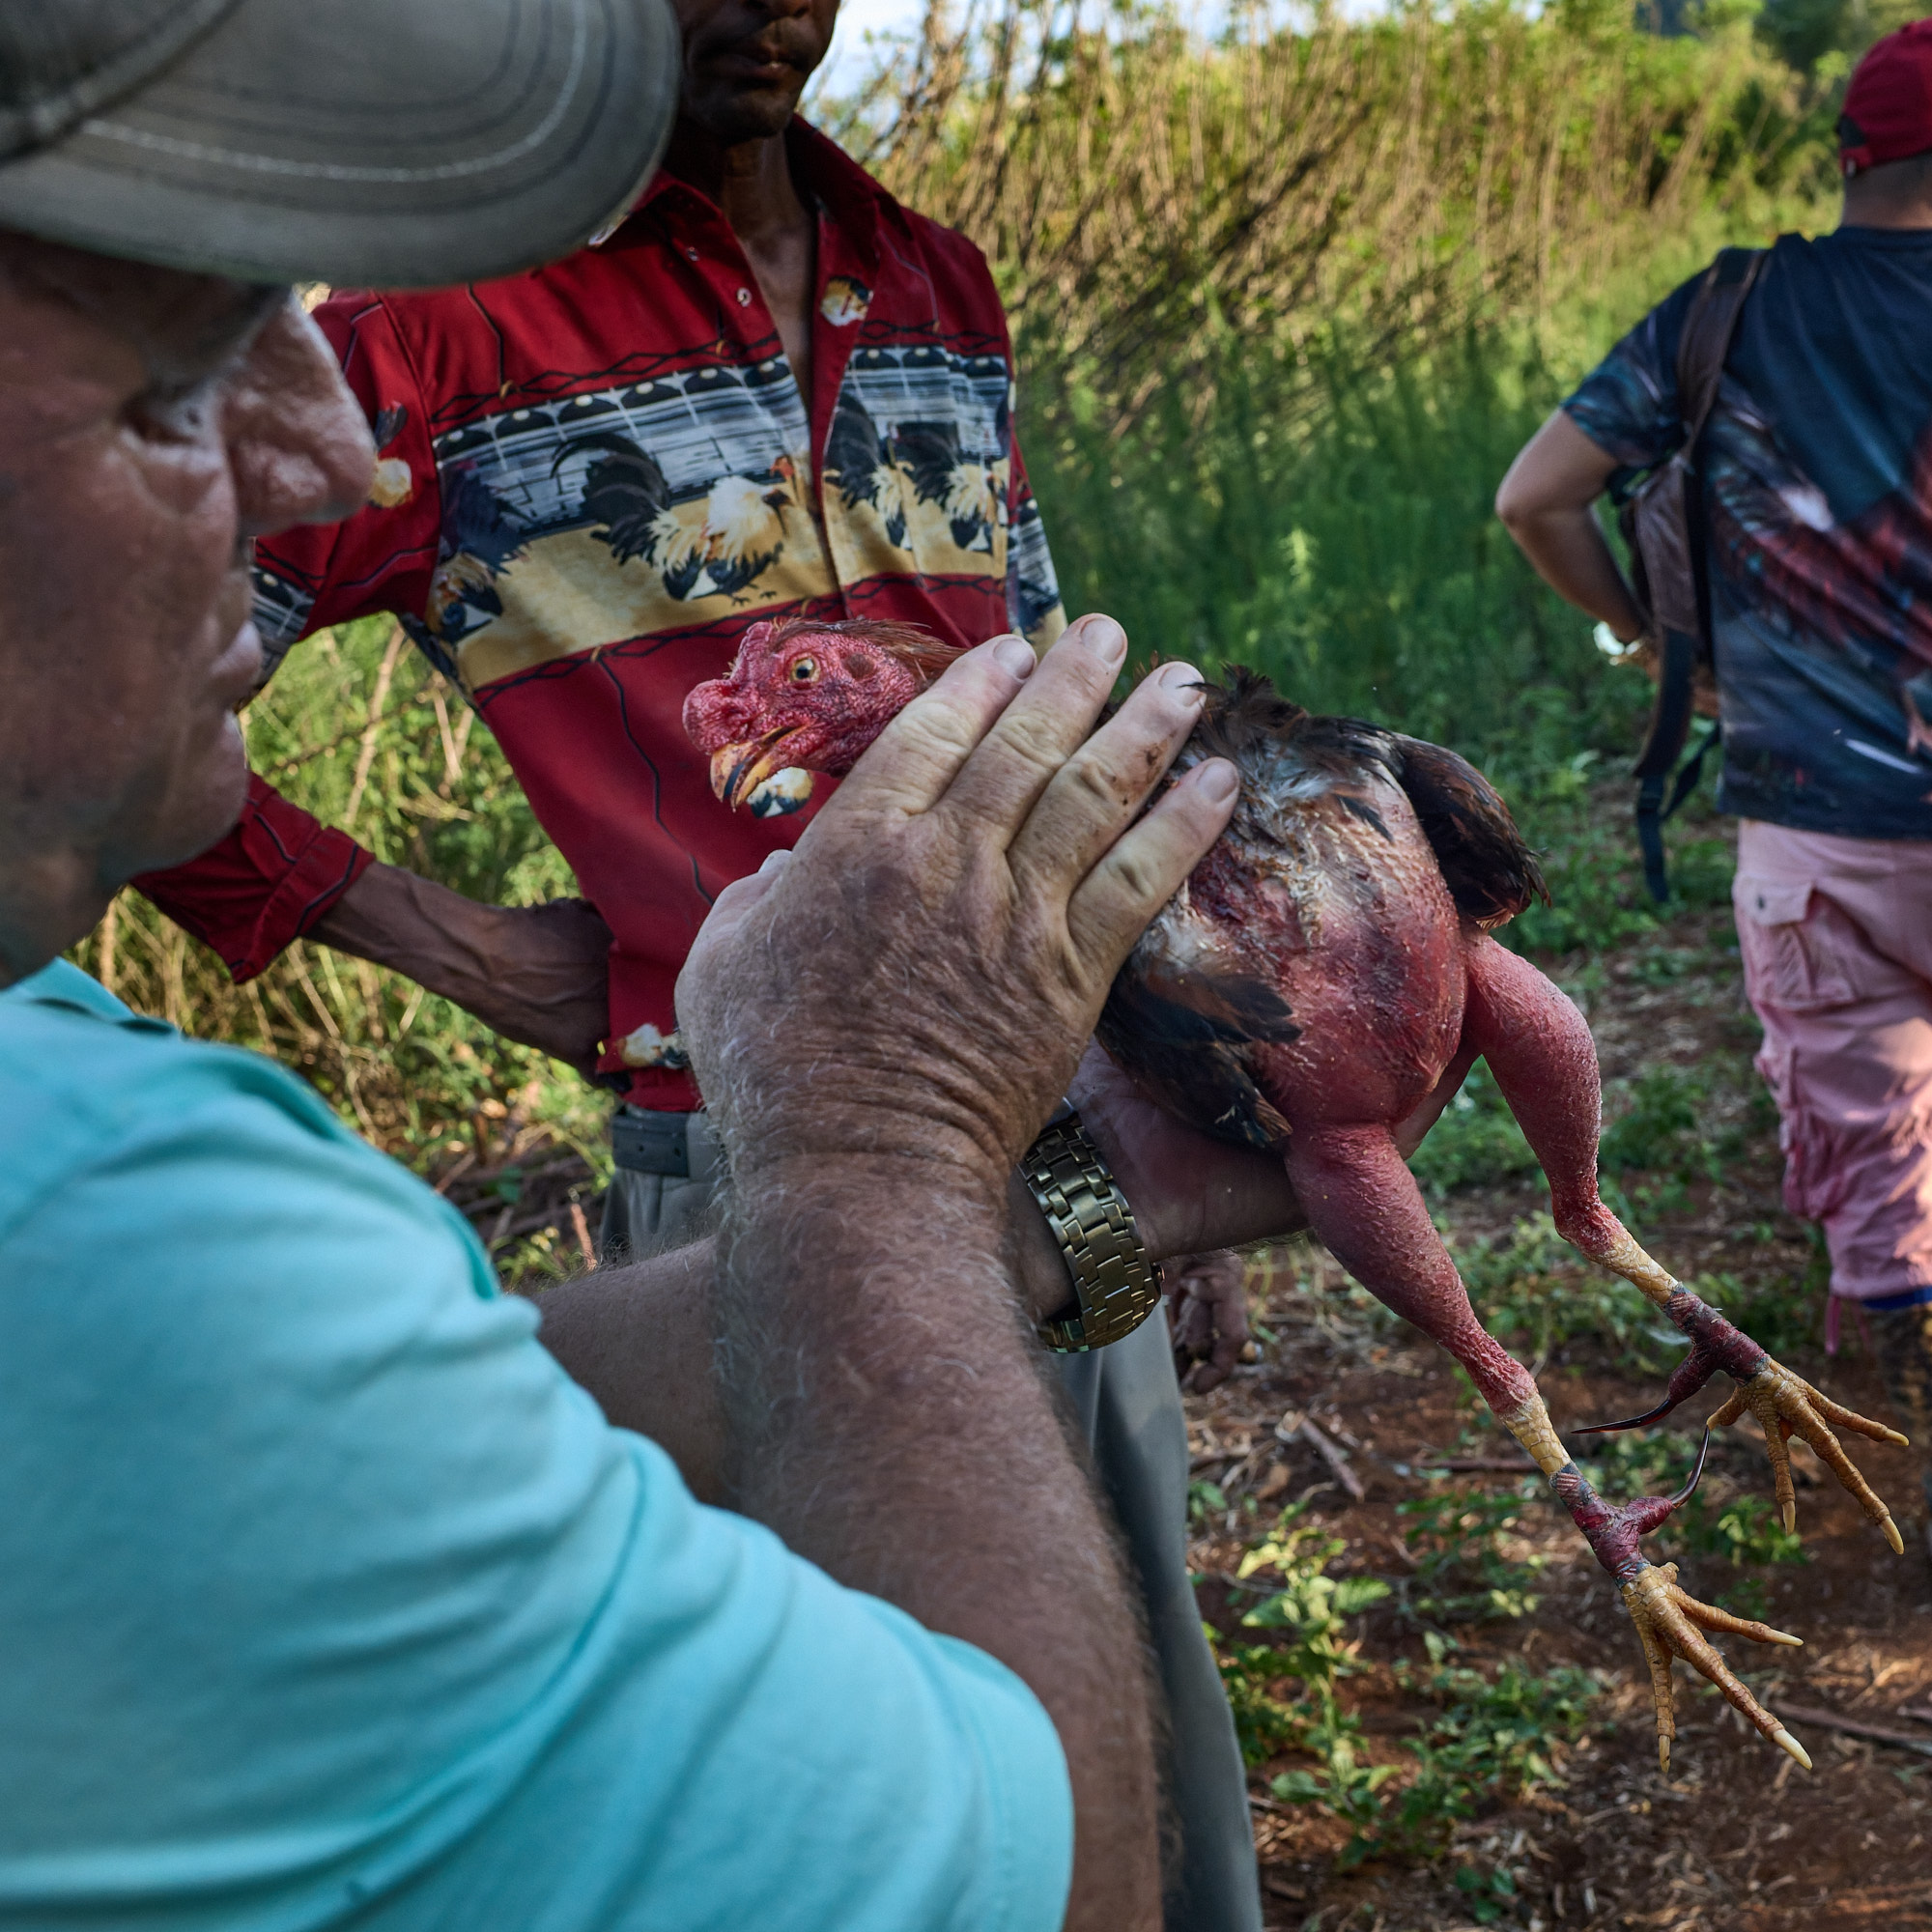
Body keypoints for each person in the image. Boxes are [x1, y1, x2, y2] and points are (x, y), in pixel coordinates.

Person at [0, 7, 1356, 1922]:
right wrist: (438, 935)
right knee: (821, 1754)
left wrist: (1134, 1063)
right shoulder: (441, 318)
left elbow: (1037, 709)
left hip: (1049, 1117)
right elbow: (152, 664)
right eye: (168, 391)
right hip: (744, 1143)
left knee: (1130, 1639)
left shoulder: (930, 279)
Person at [1494, 20, 1932, 1542]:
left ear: (1850, 161)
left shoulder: (1734, 306)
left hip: (1817, 832)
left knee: (1881, 1185)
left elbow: (1535, 497)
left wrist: (1646, 633)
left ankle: (1912, 1499)